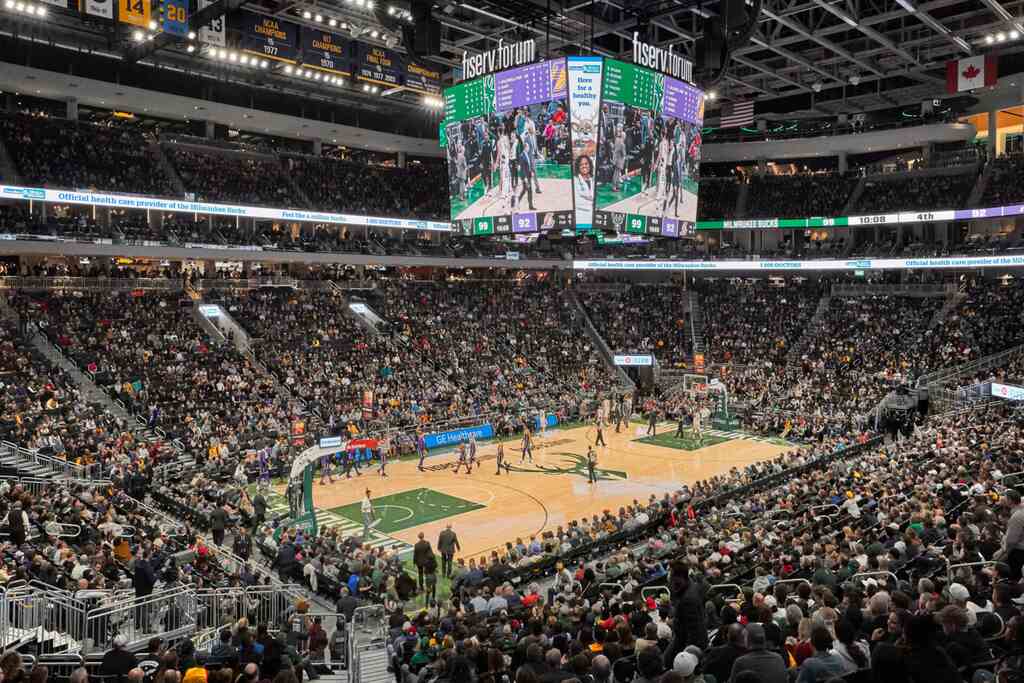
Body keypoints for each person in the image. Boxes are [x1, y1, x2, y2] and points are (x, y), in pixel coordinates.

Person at [662, 560, 707, 668]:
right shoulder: (689, 585)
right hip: (681, 635)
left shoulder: (688, 599)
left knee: (666, 662)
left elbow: (693, 631)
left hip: (685, 641)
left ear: (678, 577)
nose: (670, 577)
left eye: (671, 574)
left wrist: (687, 654)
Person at [998, 488, 1024, 580]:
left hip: (1018, 552)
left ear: (1009, 500)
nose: (1001, 499)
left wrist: (1005, 552)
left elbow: (1012, 541)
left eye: (1004, 497)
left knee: (1013, 577)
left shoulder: (1017, 516)